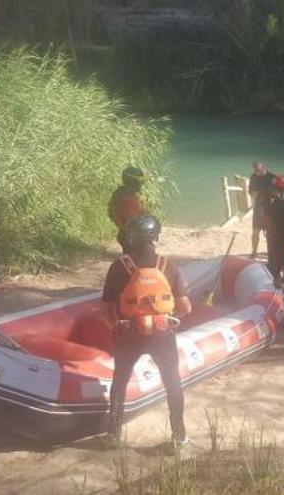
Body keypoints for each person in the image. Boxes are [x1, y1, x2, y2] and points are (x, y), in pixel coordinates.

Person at [101, 215, 192, 449]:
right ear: (156, 237)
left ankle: (113, 434)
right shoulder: (167, 266)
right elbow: (185, 308)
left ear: (130, 238)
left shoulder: (118, 267)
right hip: (162, 334)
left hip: (128, 333)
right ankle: (179, 437)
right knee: (172, 382)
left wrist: (115, 325)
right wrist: (169, 320)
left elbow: (106, 308)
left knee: (120, 381)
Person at [108, 167, 147, 253]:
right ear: (133, 181)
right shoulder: (130, 198)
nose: (142, 184)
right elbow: (132, 221)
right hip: (130, 236)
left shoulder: (120, 193)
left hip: (124, 234)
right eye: (140, 181)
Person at [248, 161, 276, 259]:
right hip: (258, 207)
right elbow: (250, 190)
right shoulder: (253, 177)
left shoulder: (272, 177)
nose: (257, 172)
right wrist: (252, 193)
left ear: (264, 168)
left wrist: (260, 193)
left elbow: (275, 193)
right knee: (255, 231)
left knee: (270, 233)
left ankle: (271, 253)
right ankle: (254, 251)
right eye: (255, 170)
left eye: (258, 170)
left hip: (270, 208)